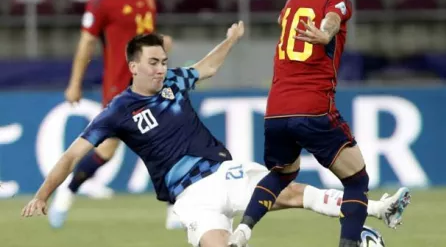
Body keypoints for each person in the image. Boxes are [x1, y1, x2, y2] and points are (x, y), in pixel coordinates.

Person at [21, 29, 410, 247]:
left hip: (225, 173)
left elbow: (205, 67)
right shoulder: (117, 111)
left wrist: (230, 40)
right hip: (189, 199)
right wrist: (42, 194)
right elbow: (72, 155)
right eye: (153, 63)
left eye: (163, 62)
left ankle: (373, 213)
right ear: (133, 66)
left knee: (291, 193)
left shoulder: (174, 82)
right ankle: (374, 215)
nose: (161, 69)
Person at [228, 0, 411, 247]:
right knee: (356, 180)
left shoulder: (292, 1)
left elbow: (282, 20)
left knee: (281, 174)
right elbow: (333, 20)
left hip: (276, 108)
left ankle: (242, 231)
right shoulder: (336, 0)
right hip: (312, 107)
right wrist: (325, 33)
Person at [50, 0, 175, 229]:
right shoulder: (102, 0)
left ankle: (176, 208)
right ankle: (68, 191)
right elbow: (86, 43)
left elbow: (144, 37)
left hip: (150, 82)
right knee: (111, 149)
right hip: (120, 87)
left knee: (164, 139)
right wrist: (75, 83)